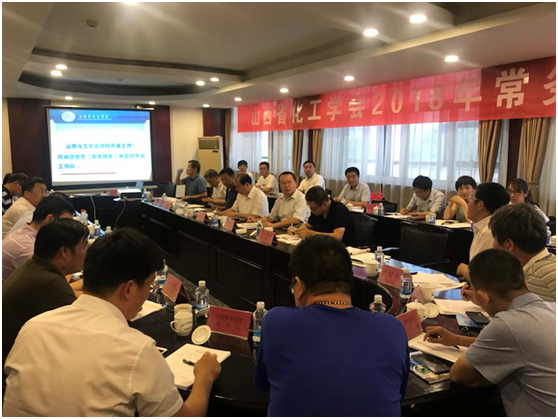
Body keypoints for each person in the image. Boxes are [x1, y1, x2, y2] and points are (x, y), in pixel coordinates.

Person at [3, 228, 222, 416]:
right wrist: (204, 376)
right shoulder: (136, 350)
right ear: (128, 289)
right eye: (148, 285)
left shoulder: (34, 327)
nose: (148, 293)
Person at [254, 235, 409, 416]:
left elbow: (262, 384)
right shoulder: (393, 329)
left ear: (300, 286)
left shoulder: (276, 321)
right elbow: (397, 392)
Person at [423, 249, 556, 417]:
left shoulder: (507, 324)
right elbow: (515, 346)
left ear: (484, 297)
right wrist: (457, 339)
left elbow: (459, 374)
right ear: (525, 283)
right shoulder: (552, 308)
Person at [2, 218, 89, 366]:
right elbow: (82, 328)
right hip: (14, 364)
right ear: (64, 252)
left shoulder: (34, 267)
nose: (86, 252)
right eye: (84, 245)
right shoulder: (51, 283)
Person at [489, 203, 556, 301]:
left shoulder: (534, 279)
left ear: (509, 244)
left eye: (494, 238)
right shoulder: (549, 262)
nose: (493, 244)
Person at [2, 194, 75, 281]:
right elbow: (52, 283)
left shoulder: (27, 233)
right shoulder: (28, 247)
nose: (67, 227)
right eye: (65, 222)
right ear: (50, 219)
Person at [456, 182, 509, 281]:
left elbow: (481, 279)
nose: (468, 203)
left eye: (471, 199)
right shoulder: (483, 227)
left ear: (480, 205)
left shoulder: (489, 232)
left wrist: (464, 270)